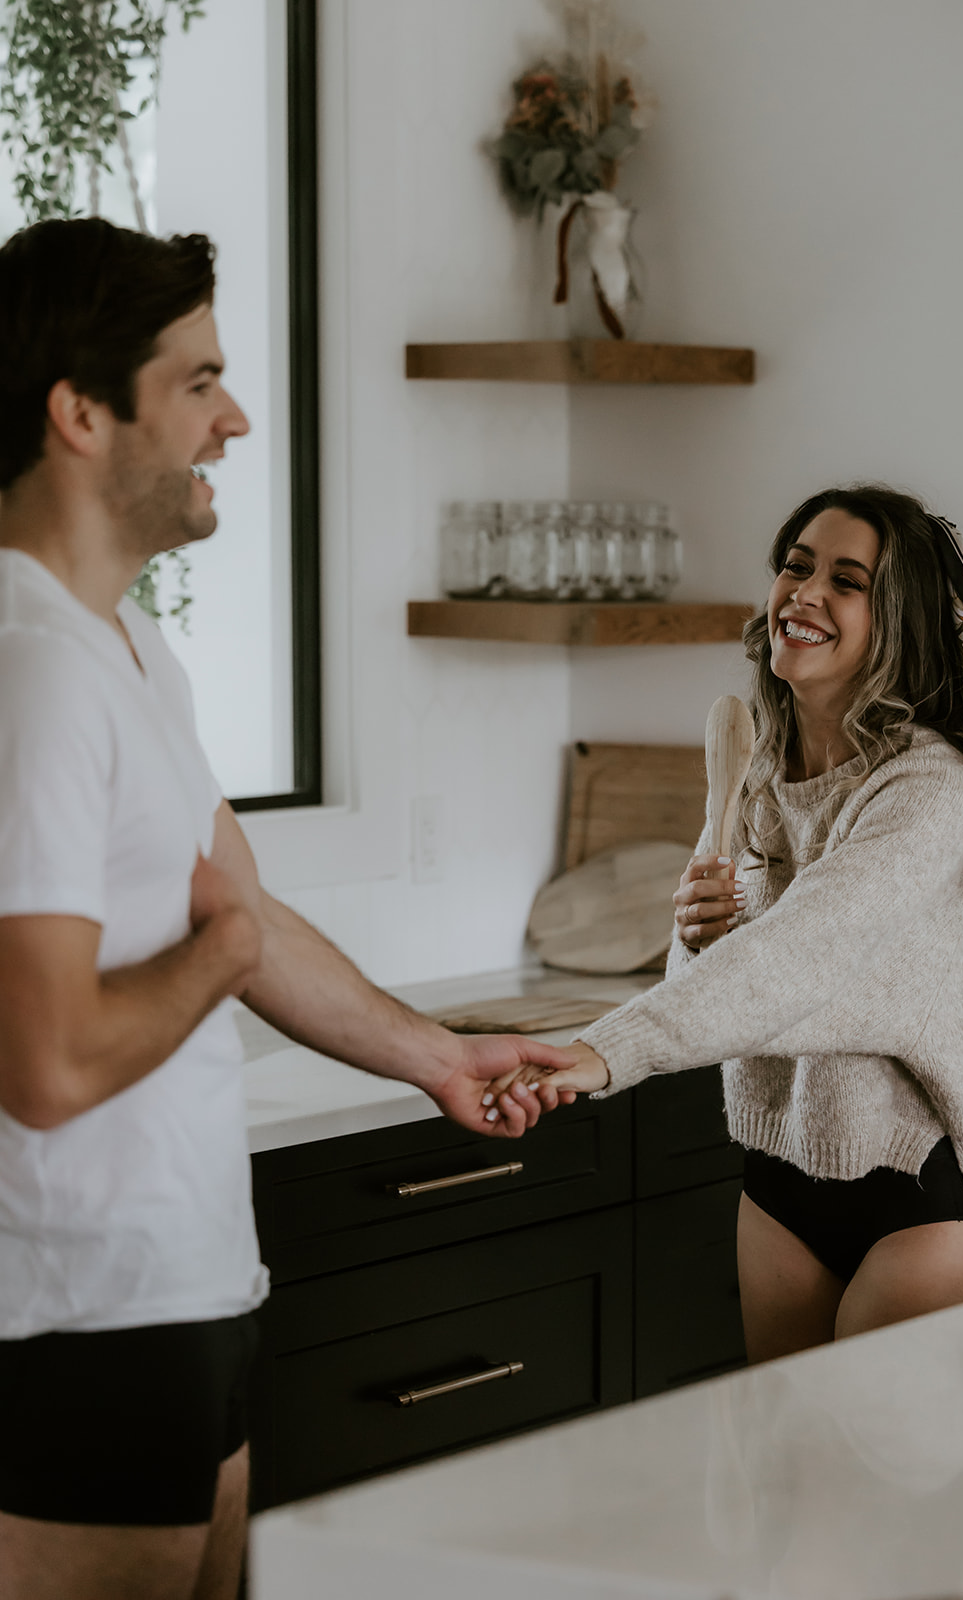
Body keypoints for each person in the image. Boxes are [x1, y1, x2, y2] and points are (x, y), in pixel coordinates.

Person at [0, 217, 571, 1600]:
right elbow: (52, 1060)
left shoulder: (130, 649)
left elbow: (244, 919)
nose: (235, 419)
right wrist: (227, 948)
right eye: (198, 383)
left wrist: (438, 1055)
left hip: (189, 1288)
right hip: (75, 1319)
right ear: (79, 412)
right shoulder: (32, 675)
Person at [493, 484, 963, 1363]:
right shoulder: (756, 776)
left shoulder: (929, 790)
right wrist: (697, 928)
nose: (804, 592)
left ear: (896, 620)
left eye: (846, 580)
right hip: (779, 1176)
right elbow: (710, 991)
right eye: (795, 566)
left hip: (914, 1194)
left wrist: (607, 1050)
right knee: (784, 1481)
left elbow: (802, 954)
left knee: (885, 1500)